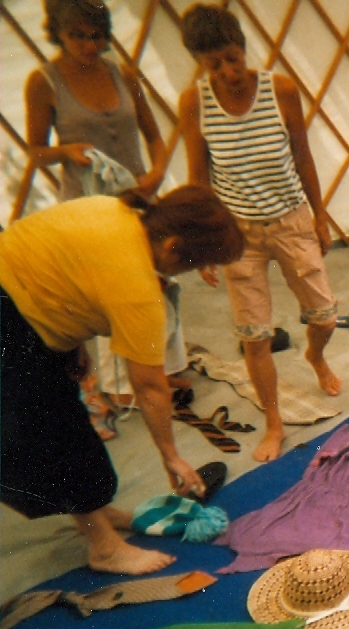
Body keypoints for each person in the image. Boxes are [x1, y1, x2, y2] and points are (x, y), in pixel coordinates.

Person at [0, 186, 245, 575]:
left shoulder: (113, 209)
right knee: (54, 436)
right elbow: (149, 386)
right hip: (10, 322)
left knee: (62, 422)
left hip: (14, 298)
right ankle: (104, 548)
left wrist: (71, 345)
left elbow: (64, 271)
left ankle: (99, 515)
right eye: (190, 265)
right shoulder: (138, 287)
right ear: (173, 246)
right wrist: (171, 456)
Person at [178, 4, 341, 463]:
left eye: (233, 58)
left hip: (290, 219)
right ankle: (274, 422)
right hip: (238, 235)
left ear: (244, 48)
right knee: (255, 336)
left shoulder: (280, 90)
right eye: (214, 65)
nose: (228, 72)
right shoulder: (195, 103)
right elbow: (198, 177)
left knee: (325, 317)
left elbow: (303, 156)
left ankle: (315, 356)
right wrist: (202, 244)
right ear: (200, 63)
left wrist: (320, 216)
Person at [24, 0, 188, 417]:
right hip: (88, 209)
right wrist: (66, 151)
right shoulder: (43, 82)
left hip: (137, 198)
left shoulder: (123, 74)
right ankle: (121, 385)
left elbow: (155, 136)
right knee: (110, 295)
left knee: (155, 286)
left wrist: (156, 173)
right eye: (77, 36)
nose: (88, 45)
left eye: (96, 36)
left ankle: (161, 370)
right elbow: (36, 152)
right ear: (58, 33)